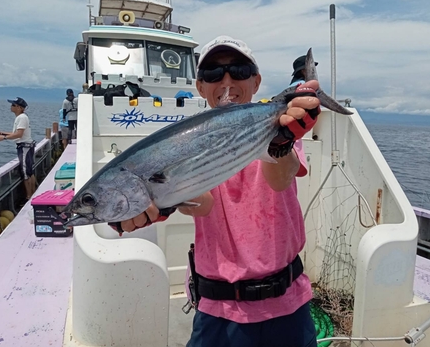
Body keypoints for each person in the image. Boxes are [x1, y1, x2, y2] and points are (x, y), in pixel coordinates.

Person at [116, 36, 321, 347]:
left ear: (256, 81)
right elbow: (203, 203)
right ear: (201, 87)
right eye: (213, 73)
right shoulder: (186, 142)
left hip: (288, 303)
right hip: (220, 310)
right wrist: (160, 200)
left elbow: (280, 178)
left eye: (239, 70)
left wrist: (280, 144)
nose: (227, 80)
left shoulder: (278, 129)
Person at [0, 97, 36, 201]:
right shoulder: (22, 117)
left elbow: (18, 135)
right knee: (29, 171)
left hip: (24, 147)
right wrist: (1, 132)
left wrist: (2, 138)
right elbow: (17, 133)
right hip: (26, 146)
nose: (11, 106)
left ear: (19, 108)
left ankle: (29, 197)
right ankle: (33, 194)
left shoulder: (21, 118)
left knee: (26, 173)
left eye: (13, 105)